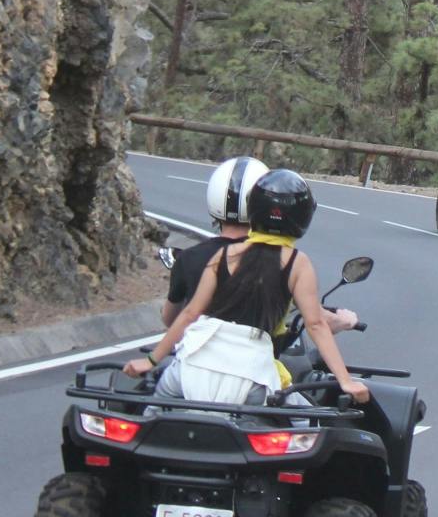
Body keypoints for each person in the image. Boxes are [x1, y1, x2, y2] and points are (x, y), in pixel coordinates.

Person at [126, 169, 370, 406]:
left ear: (252, 210)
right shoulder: (298, 263)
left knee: (150, 415)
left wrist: (150, 361)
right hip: (250, 379)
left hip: (191, 369)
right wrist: (346, 381)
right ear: (303, 216)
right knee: (307, 424)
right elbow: (316, 324)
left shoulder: (224, 255)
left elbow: (189, 315)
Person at [165, 156, 358, 336]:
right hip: (256, 365)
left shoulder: (188, 258)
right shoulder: (278, 259)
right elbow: (317, 320)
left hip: (194, 361)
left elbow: (170, 319)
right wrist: (345, 320)